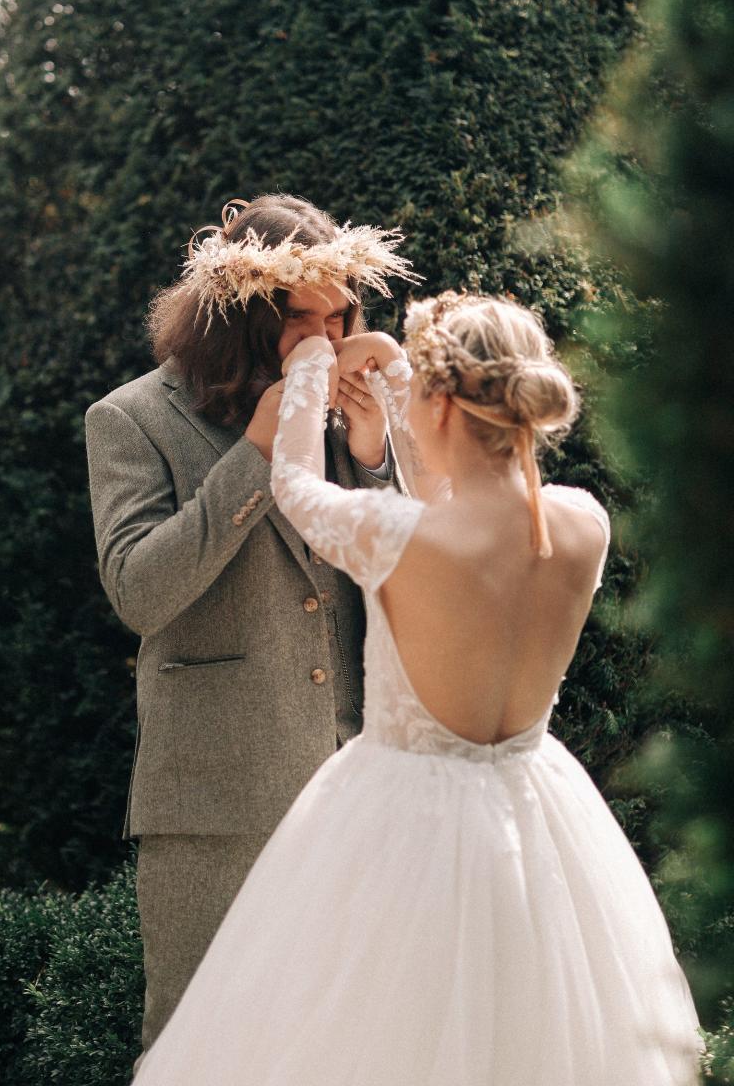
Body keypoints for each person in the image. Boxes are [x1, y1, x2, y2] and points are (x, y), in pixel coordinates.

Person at [129, 290, 702, 1086]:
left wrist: (307, 372)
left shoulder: (395, 536)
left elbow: (294, 485)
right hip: (537, 814)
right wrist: (400, 376)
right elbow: (454, 496)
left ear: (439, 404)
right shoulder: (581, 523)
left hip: (400, 823)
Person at [84, 194, 417, 1063]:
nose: (326, 337)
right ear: (236, 318)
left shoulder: (356, 407)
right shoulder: (131, 418)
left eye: (339, 315)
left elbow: (416, 576)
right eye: (297, 319)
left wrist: (380, 452)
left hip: (360, 781)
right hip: (216, 797)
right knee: (205, 1045)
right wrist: (257, 456)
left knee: (356, 1045)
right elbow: (138, 591)